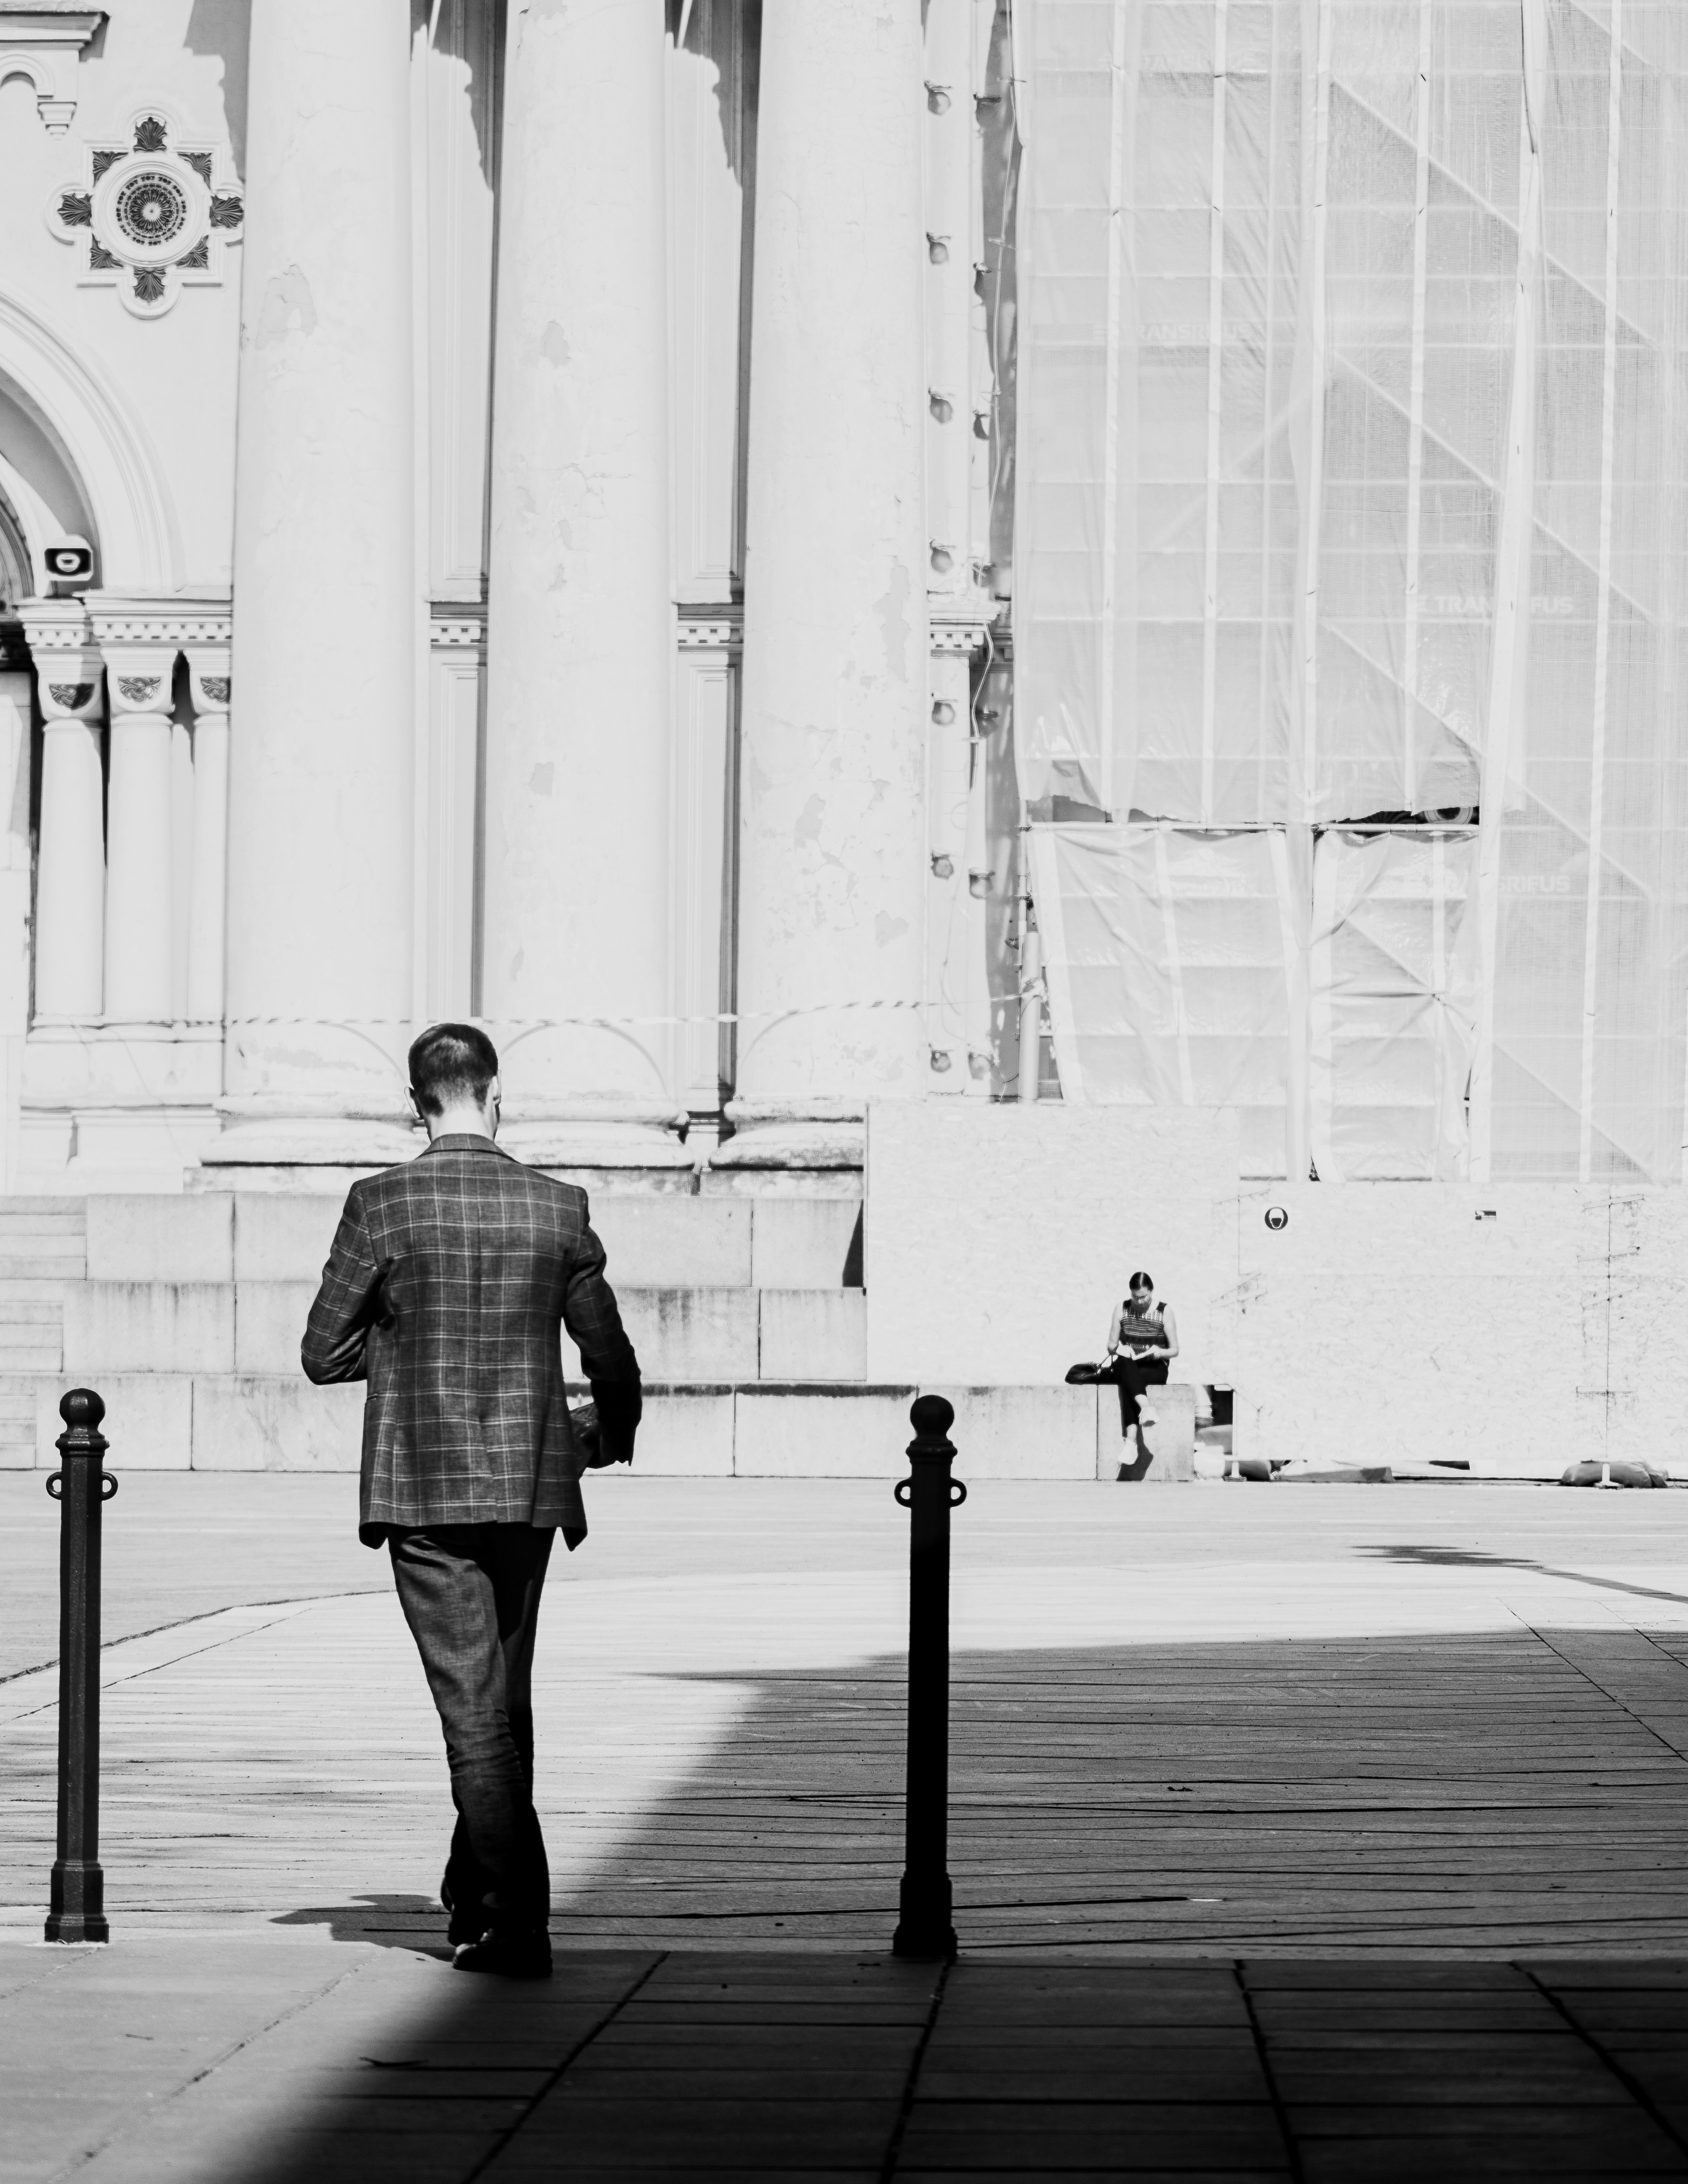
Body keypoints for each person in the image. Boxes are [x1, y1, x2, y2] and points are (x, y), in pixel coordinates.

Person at [301, 1022, 641, 1980]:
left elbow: (323, 1351)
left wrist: (408, 1351)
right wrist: (610, 1433)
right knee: (500, 1699)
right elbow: (609, 1353)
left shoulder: (381, 1203)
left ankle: (514, 1920)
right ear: (496, 1095)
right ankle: (473, 1888)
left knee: (473, 1708)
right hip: (531, 1484)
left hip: (426, 1481)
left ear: (416, 1105)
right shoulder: (557, 1205)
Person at [1104, 1270, 1179, 1456]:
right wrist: (1122, 1349)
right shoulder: (1121, 1308)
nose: (1139, 1301)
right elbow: (1111, 1345)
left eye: (1143, 1297)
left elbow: (1175, 1350)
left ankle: (1131, 1442)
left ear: (1151, 1291)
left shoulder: (1164, 1311)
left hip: (1155, 1366)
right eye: (1135, 1297)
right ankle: (1146, 1408)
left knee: (1129, 1382)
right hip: (1129, 1364)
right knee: (1125, 1364)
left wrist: (1160, 1352)